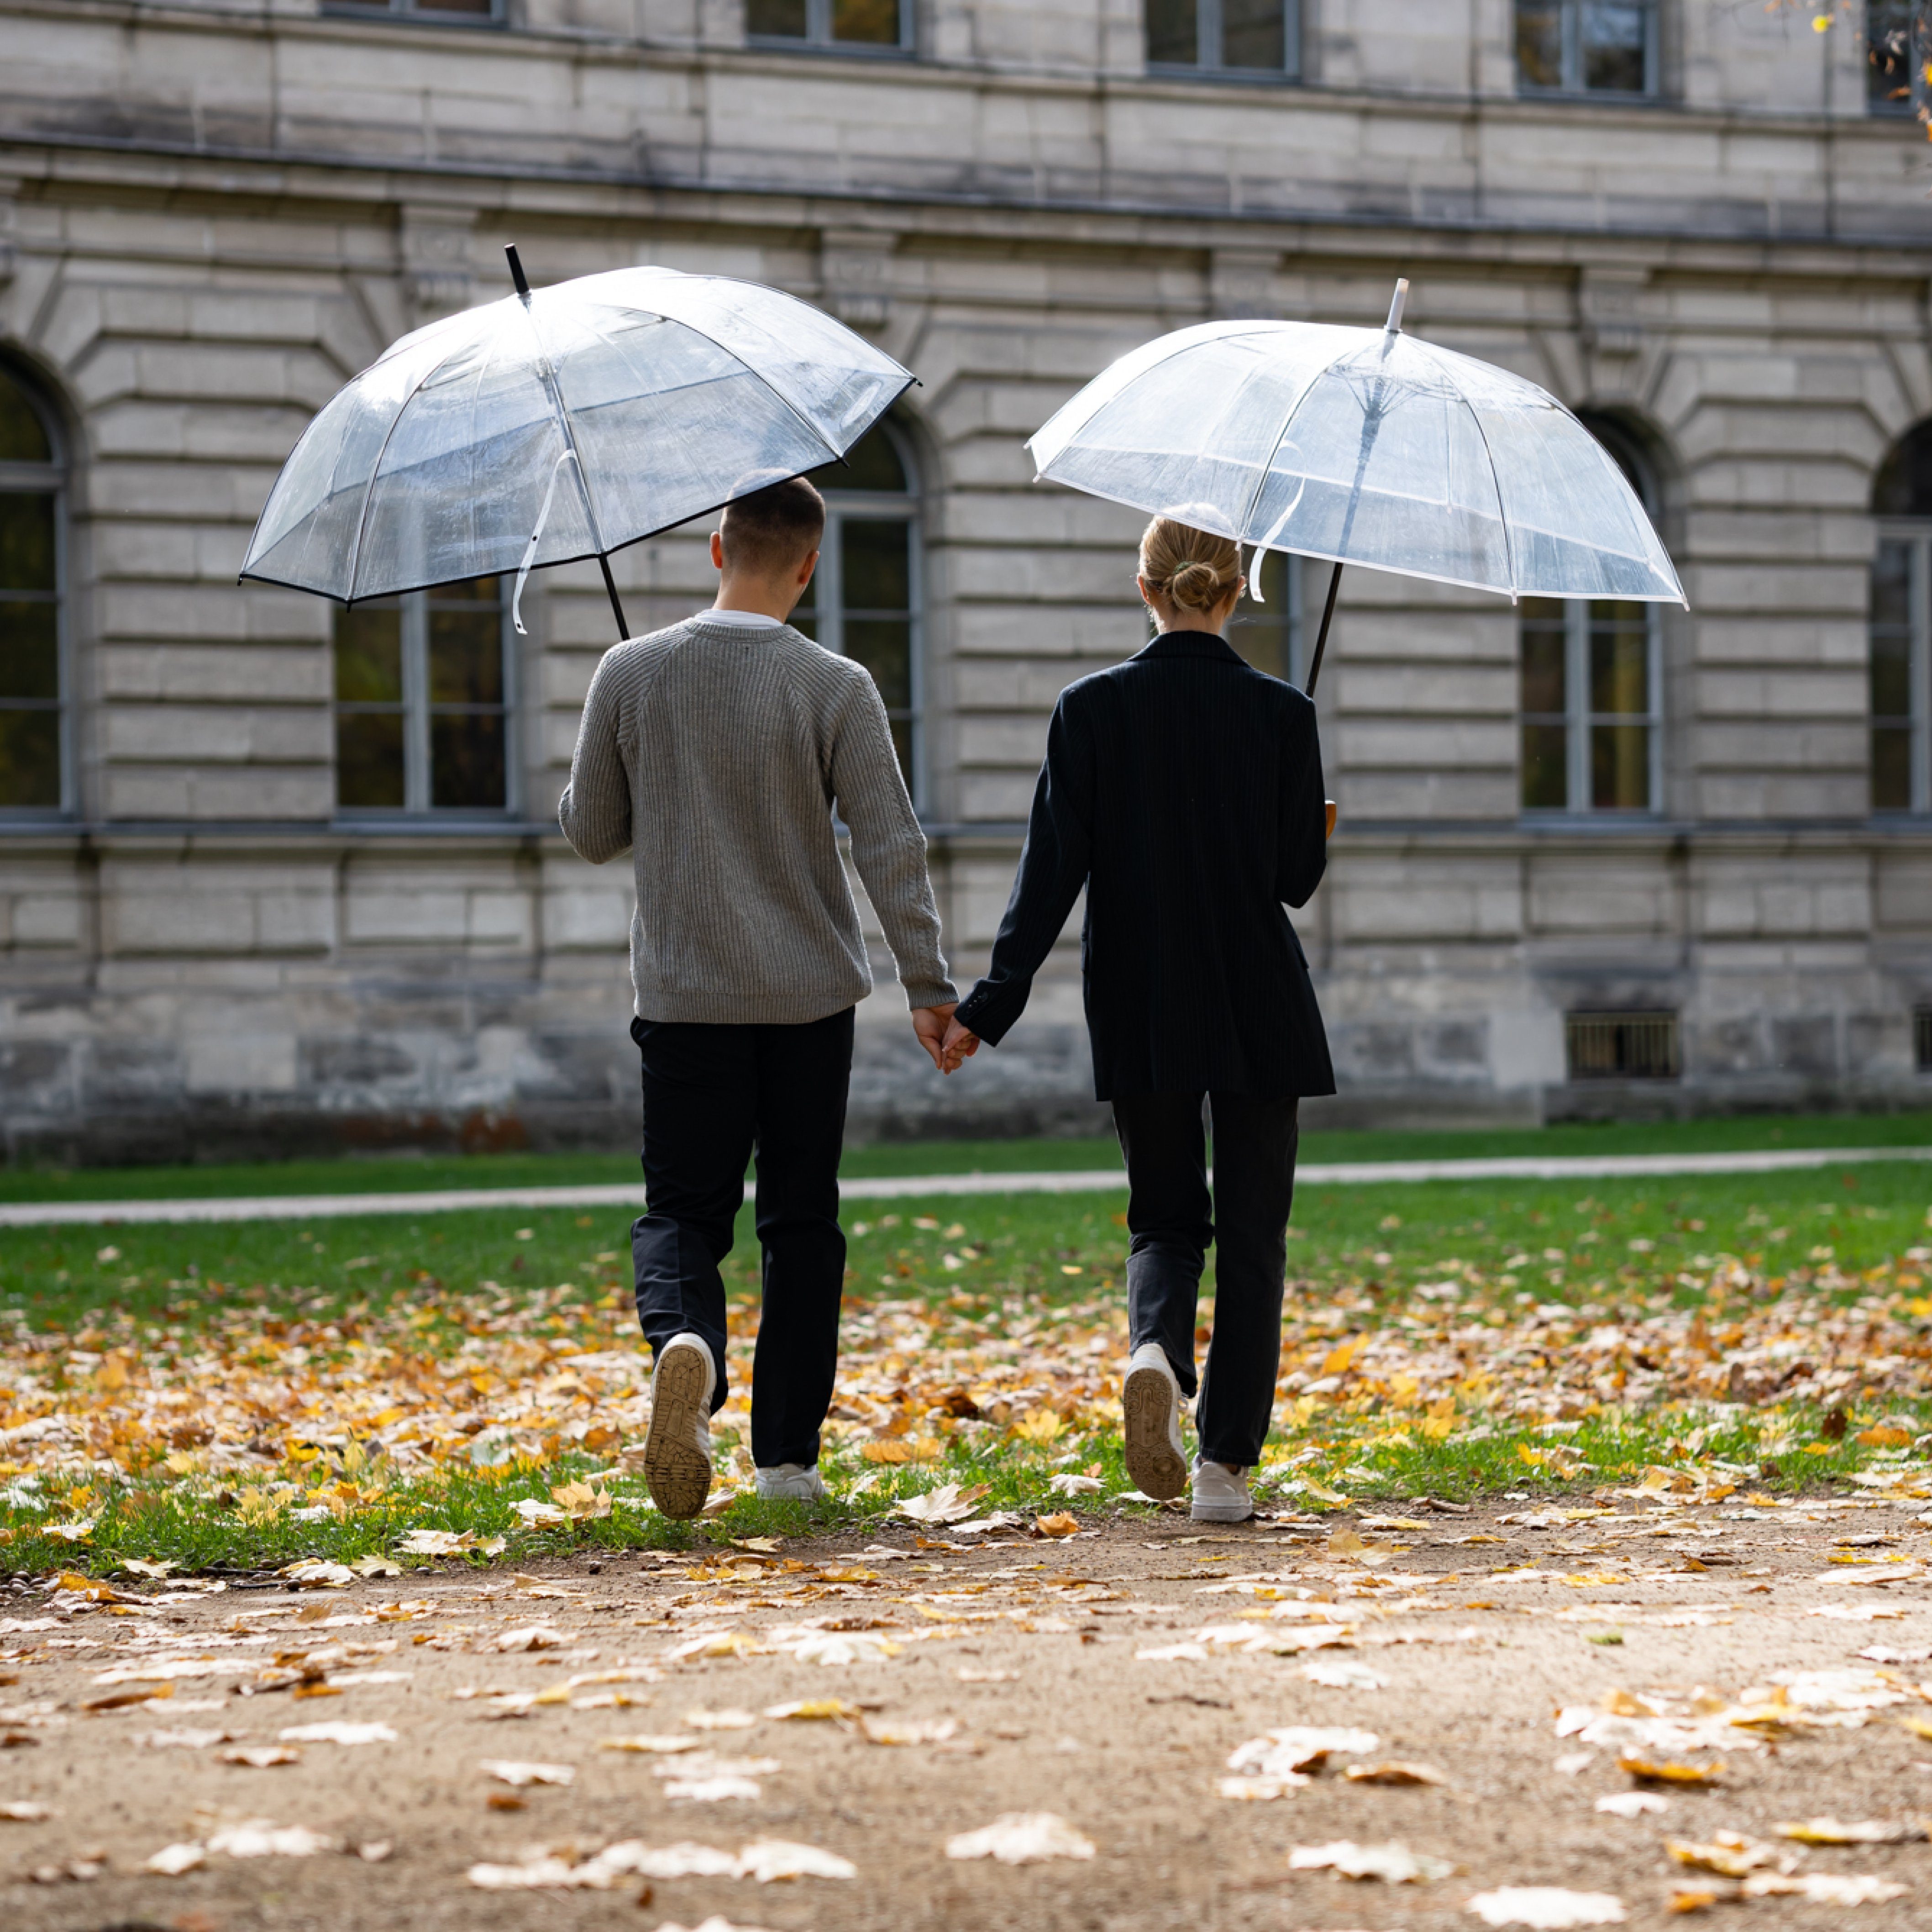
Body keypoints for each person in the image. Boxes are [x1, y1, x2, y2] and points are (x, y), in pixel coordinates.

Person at [559, 475, 958, 1520]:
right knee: (800, 1221)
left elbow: (591, 830)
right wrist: (929, 984)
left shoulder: (630, 670)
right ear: (809, 565)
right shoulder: (837, 684)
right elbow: (890, 844)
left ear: (714, 548)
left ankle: (684, 1337)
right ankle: (785, 1457)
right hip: (808, 1002)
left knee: (683, 1212)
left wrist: (615, 754)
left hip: (687, 995)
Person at [940, 516, 1333, 1523]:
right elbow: (1291, 883)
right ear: (1236, 589)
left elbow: (1049, 877)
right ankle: (1222, 1471)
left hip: (1143, 999)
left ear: (1144, 587)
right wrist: (1314, 826)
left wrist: (988, 1008)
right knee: (1253, 1237)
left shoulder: (1089, 709)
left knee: (1165, 1217)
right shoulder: (1285, 714)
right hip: (1260, 1005)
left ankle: (1154, 1347)